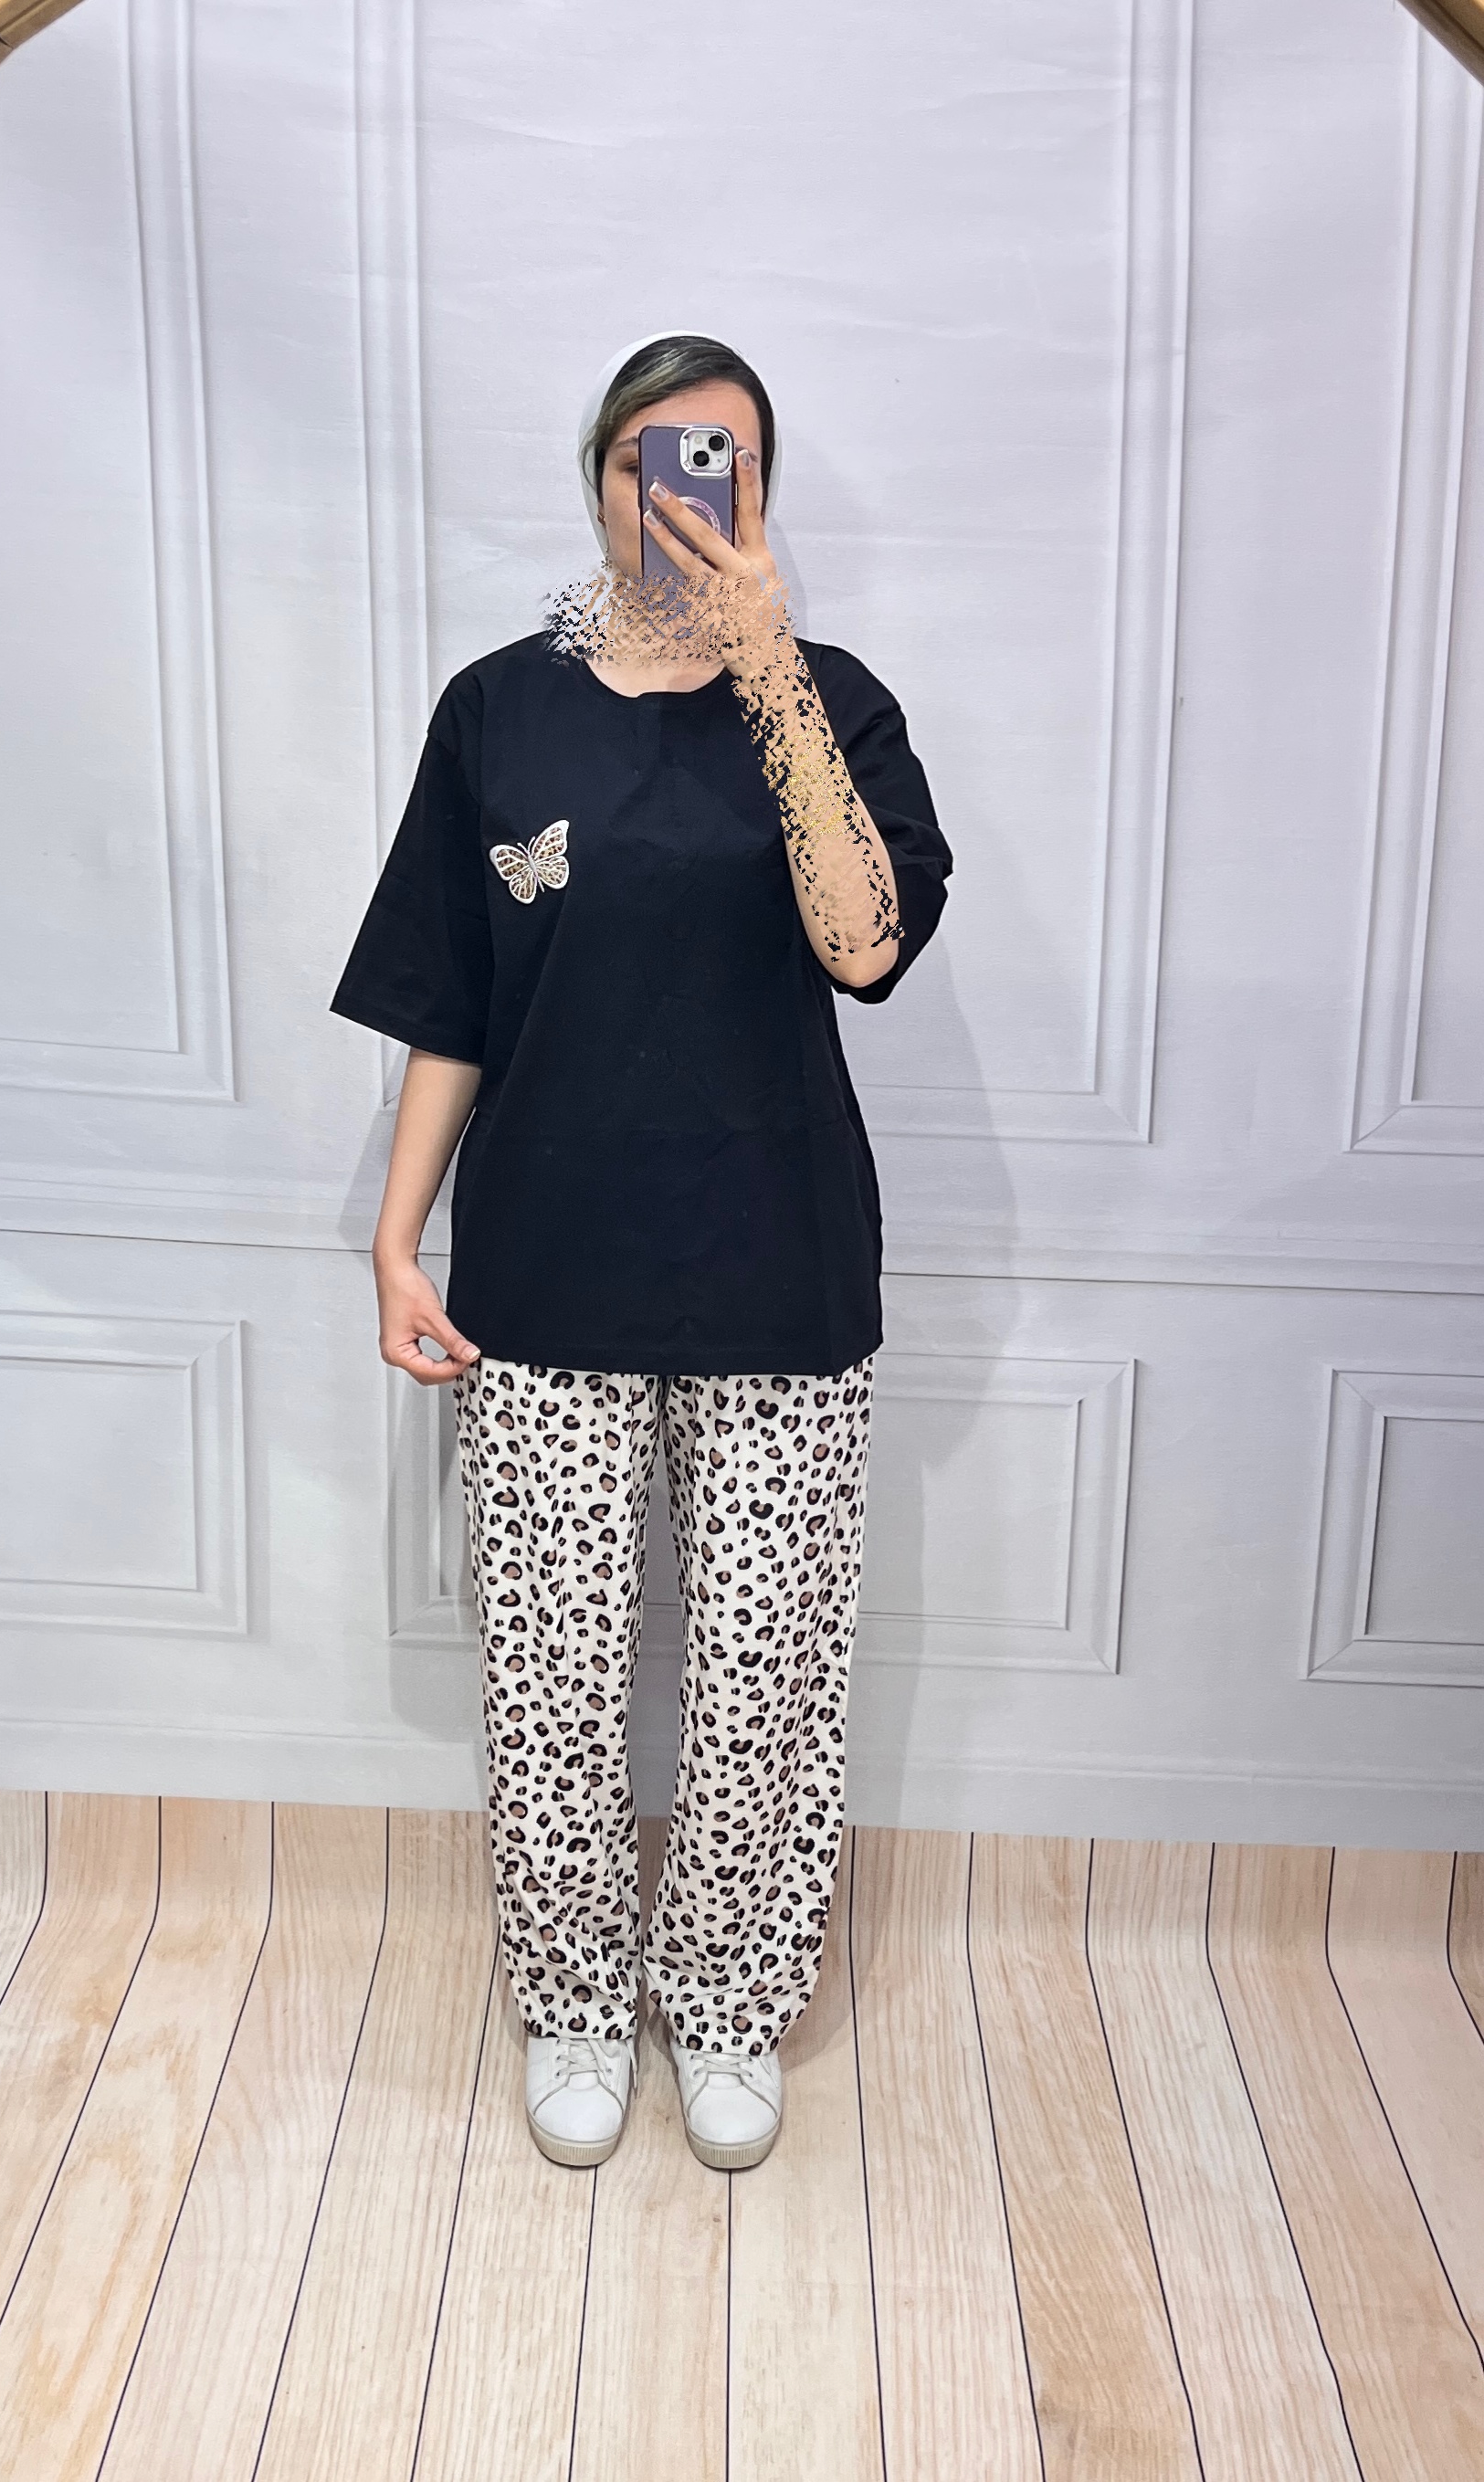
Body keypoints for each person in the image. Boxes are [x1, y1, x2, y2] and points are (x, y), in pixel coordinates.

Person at [329, 331, 952, 2173]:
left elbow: (863, 946)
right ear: (599, 479)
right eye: (650, 461)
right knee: (551, 1682)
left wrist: (770, 666)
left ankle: (732, 2003)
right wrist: (393, 1240)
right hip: (543, 1270)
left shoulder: (836, 705)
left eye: (721, 464)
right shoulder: (499, 713)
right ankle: (576, 2001)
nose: (681, 494)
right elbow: (452, 1001)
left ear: (760, 492)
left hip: (778, 1266)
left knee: (762, 1685)